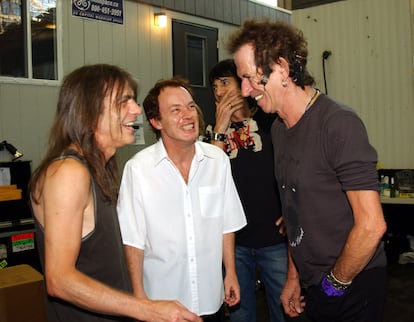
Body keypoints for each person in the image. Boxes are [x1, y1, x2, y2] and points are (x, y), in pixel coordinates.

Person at [228, 19, 387, 322]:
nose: (245, 91)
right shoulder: (278, 129)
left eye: (249, 78)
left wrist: (333, 287)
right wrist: (292, 277)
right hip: (312, 282)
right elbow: (294, 215)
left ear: (282, 69)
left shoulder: (338, 123)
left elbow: (371, 226)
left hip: (352, 283)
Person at [29, 64, 201, 322]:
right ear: (90, 112)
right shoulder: (68, 172)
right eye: (124, 102)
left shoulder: (99, 169)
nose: (136, 110)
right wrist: (147, 309)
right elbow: (59, 279)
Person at [117, 76, 247, 321]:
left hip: (211, 299)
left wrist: (230, 272)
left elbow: (227, 223)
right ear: (156, 121)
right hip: (162, 303)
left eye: (190, 107)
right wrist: (139, 298)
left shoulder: (216, 161)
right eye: (175, 110)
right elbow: (133, 241)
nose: (188, 115)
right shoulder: (138, 170)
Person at [204, 59, 287, 322]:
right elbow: (209, 181)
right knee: (240, 315)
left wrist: (293, 211)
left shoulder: (269, 121)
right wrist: (219, 128)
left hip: (274, 238)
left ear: (243, 84)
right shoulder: (211, 134)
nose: (218, 91)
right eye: (214, 86)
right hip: (234, 243)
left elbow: (294, 169)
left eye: (224, 83)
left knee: (284, 309)